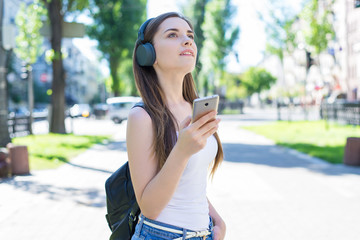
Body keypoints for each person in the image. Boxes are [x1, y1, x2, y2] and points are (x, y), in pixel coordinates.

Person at [127, 12, 226, 240]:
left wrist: (218, 221)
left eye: (190, 35)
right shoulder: (142, 117)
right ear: (148, 53)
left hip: (204, 234)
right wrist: (181, 151)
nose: (187, 40)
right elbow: (149, 207)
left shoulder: (194, 108)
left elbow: (189, 182)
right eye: (172, 35)